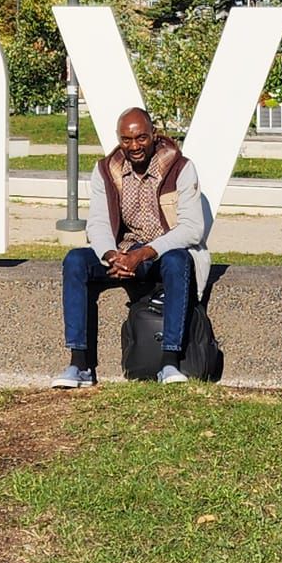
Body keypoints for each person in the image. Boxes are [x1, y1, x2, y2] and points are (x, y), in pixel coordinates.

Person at [52, 106, 210, 388]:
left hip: (160, 253)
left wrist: (144, 253)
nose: (134, 146)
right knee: (75, 260)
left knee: (178, 262)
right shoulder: (105, 171)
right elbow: (98, 224)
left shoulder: (181, 168)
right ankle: (79, 365)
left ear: (153, 135)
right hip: (123, 253)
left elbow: (192, 228)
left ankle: (169, 362)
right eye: (127, 140)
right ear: (118, 139)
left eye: (141, 138)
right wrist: (111, 255)